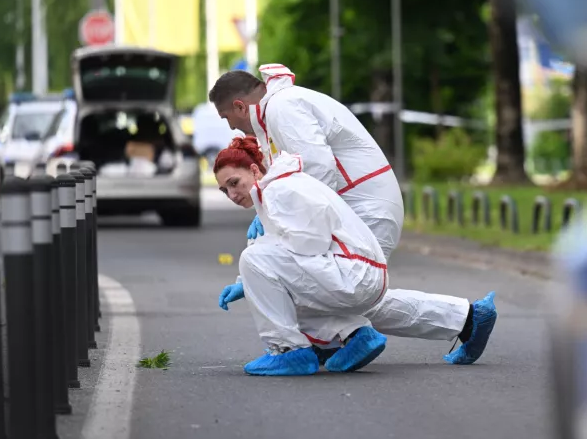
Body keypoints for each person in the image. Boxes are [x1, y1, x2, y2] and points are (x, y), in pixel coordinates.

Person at [213, 137, 498, 375]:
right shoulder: (277, 186)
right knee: (270, 280)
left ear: (254, 169)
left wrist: (262, 258)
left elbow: (310, 241)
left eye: (234, 183)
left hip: (353, 270)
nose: (232, 194)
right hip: (357, 271)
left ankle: (292, 350)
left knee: (259, 267)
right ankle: (357, 335)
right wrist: (252, 277)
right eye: (225, 190)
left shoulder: (280, 185)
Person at [208, 65, 402, 259]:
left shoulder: (282, 107)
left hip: (365, 210)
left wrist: (292, 224)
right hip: (360, 208)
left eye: (226, 118)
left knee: (313, 278)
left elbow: (318, 169)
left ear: (240, 107)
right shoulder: (278, 108)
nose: (232, 126)